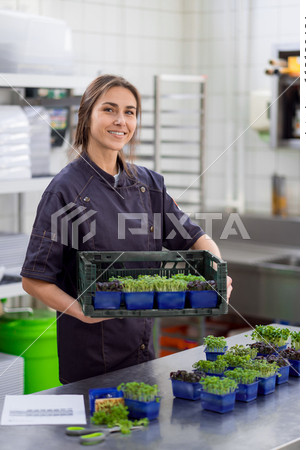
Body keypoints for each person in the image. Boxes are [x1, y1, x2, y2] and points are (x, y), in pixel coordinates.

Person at [21, 74, 233, 384]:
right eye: (109, 109)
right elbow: (34, 280)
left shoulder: (148, 184)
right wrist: (84, 312)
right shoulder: (66, 191)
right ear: (87, 116)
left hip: (143, 351)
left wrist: (217, 271)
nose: (121, 120)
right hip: (91, 359)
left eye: (130, 112)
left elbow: (195, 238)